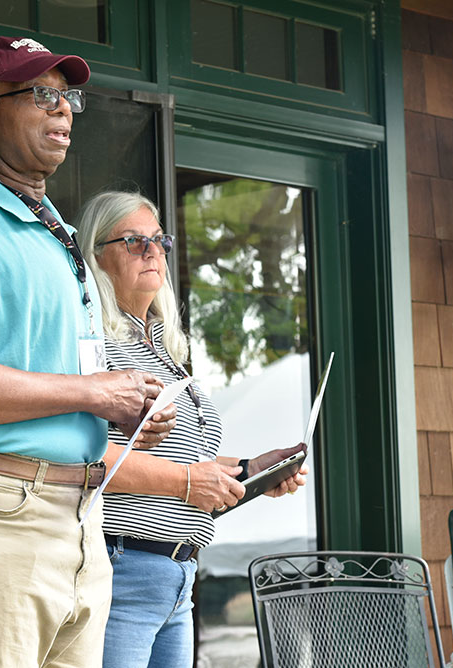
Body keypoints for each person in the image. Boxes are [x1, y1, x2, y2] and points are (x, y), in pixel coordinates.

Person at [0, 38, 175, 668]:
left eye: (68, 97)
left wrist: (116, 414)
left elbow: (53, 371)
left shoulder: (60, 232)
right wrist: (92, 394)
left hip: (76, 517)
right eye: (41, 95)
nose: (65, 111)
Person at [73, 190, 310, 668]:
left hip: (179, 576)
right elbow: (84, 458)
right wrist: (187, 483)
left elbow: (185, 463)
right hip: (121, 565)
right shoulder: (93, 349)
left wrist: (251, 469)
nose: (153, 251)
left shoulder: (166, 350)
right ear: (96, 257)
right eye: (134, 241)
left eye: (159, 240)